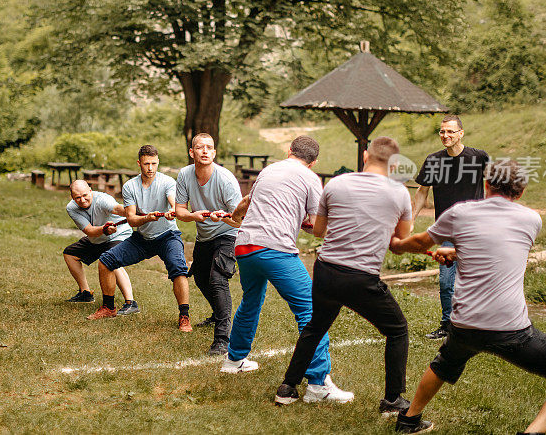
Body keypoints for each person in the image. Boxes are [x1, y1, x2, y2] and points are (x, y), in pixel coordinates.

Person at [390, 159, 546, 434]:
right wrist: (458, 252)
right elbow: (499, 250)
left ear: (485, 185)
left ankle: (409, 419)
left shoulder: (460, 213)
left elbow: (420, 243)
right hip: (511, 329)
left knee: (444, 363)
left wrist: (398, 246)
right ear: (520, 192)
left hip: (464, 325)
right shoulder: (532, 219)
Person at [276, 137, 412, 415]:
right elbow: (401, 240)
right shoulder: (399, 193)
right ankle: (393, 400)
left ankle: (287, 389)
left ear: (365, 155)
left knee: (315, 326)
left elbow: (318, 231)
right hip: (360, 277)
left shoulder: (336, 183)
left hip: (326, 271)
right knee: (397, 330)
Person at [220, 136, 350, 403]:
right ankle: (317, 385)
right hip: (274, 248)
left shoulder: (269, 170)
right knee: (311, 311)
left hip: (244, 246)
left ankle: (234, 360)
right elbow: (317, 226)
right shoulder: (311, 178)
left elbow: (246, 203)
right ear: (314, 162)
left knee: (251, 300)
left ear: (289, 151)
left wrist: (234, 216)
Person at [89, 145, 193, 332]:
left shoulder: (168, 182)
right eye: (146, 164)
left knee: (179, 269)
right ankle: (108, 307)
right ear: (139, 163)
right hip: (142, 238)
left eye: (154, 163)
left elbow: (173, 202)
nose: (150, 168)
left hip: (167, 236)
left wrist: (172, 211)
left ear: (158, 162)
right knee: (105, 261)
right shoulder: (130, 186)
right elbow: (131, 219)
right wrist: (146, 218)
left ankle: (184, 317)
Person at [413, 115, 489, 340]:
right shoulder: (434, 160)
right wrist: (409, 221)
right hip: (447, 231)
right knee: (447, 282)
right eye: (442, 132)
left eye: (450, 132)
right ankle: (447, 325)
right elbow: (422, 193)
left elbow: (495, 186)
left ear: (461, 134)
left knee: (475, 281)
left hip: (474, 231)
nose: (445, 136)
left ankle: (477, 326)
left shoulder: (479, 158)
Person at [175, 133, 243, 356]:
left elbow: (240, 218)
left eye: (209, 148)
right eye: (199, 147)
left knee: (217, 279)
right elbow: (180, 211)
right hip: (204, 235)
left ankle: (223, 339)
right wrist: (196, 216)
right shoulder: (185, 175)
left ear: (214, 153)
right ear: (191, 152)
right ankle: (218, 313)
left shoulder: (225, 179)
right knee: (200, 277)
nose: (204, 151)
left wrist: (222, 217)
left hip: (228, 233)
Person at [63, 180, 138, 315]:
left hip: (119, 235)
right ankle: (85, 293)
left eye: (85, 195)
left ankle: (131, 303)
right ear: (72, 197)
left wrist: (131, 211)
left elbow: (116, 209)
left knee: (111, 259)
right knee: (70, 254)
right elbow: (90, 230)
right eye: (77, 197)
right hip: (98, 236)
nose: (82, 200)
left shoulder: (102, 199)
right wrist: (104, 230)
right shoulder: (71, 208)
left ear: (91, 190)